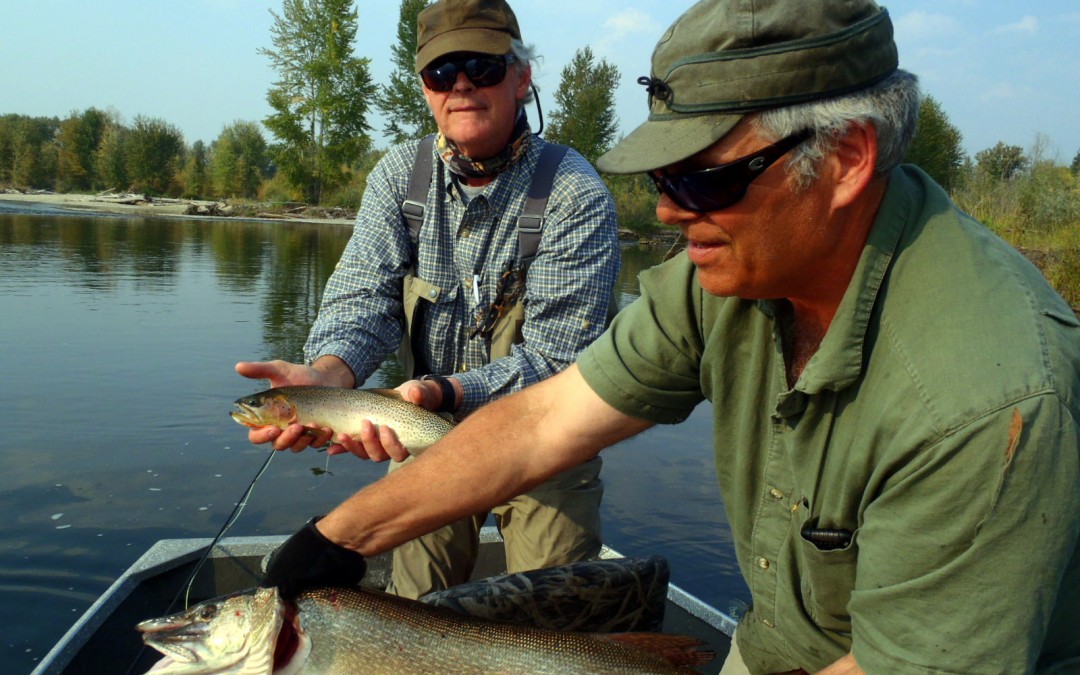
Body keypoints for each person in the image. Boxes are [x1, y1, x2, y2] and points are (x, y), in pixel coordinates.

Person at [260, 0, 1080, 672]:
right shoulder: (724, 266)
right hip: (775, 649)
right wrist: (338, 537)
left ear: (847, 160)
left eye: (704, 175)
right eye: (661, 174)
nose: (666, 209)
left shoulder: (989, 400)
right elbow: (548, 417)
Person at [238, 0, 620, 600]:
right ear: (424, 89)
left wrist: (442, 391)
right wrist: (326, 375)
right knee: (416, 609)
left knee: (549, 620)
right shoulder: (398, 176)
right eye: (442, 73)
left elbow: (559, 362)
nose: (461, 84)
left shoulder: (576, 194)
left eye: (482, 67)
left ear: (521, 78)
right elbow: (364, 299)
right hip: (419, 430)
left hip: (547, 439)